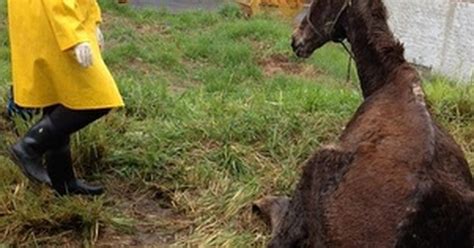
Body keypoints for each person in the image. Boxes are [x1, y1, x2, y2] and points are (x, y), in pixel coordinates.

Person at [7, 0, 124, 196]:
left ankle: (63, 181)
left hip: (47, 22)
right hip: (56, 24)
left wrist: (92, 21)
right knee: (98, 97)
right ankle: (30, 146)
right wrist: (76, 37)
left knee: (59, 98)